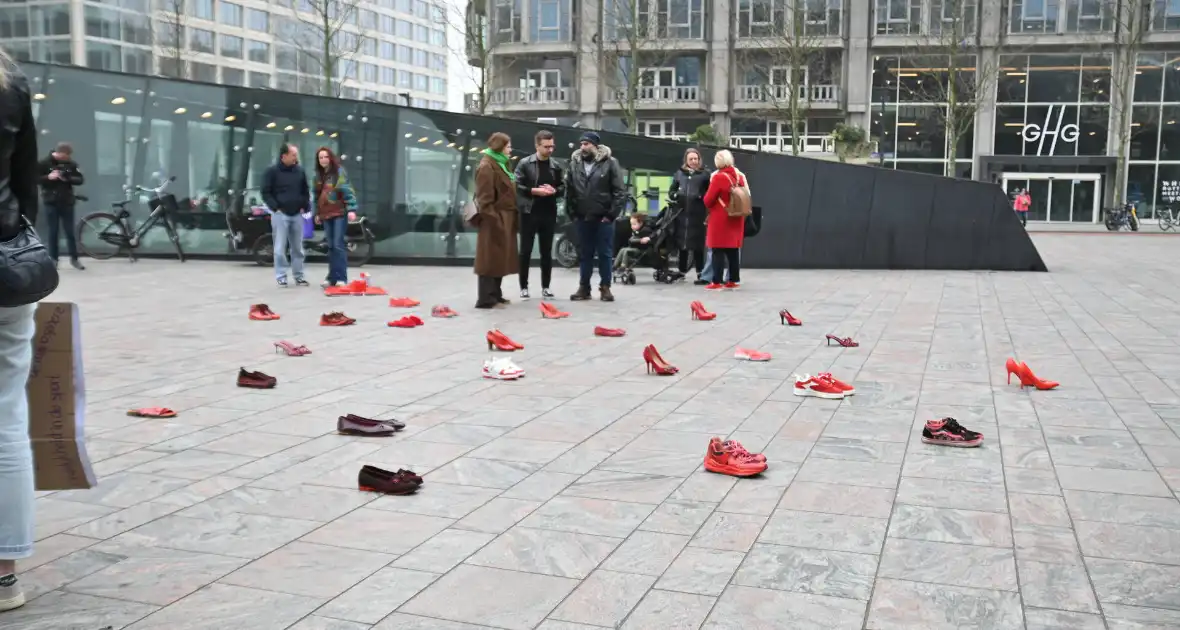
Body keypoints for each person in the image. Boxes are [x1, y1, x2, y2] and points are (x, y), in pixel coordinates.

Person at [0, 46, 44, 614]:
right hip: (6, 260)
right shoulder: (10, 81)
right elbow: (25, 180)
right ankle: (4, 576)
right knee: (7, 413)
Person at [566, 131, 625, 302]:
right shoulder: (574, 164)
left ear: (595, 146)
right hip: (582, 217)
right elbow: (569, 190)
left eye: (587, 144)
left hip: (603, 218)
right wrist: (572, 213)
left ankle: (605, 287)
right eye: (581, 144)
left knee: (605, 254)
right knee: (585, 254)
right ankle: (584, 287)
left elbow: (620, 192)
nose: (583, 147)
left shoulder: (610, 163)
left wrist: (611, 215)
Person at [514, 129, 564, 300]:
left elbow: (563, 187)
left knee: (546, 251)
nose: (550, 150)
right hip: (529, 212)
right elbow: (517, 186)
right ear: (537, 146)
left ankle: (546, 287)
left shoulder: (556, 166)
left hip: (548, 212)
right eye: (546, 147)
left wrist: (554, 190)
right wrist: (533, 191)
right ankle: (523, 287)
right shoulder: (524, 164)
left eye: (552, 146)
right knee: (525, 251)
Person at [472, 132, 519, 308]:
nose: (510, 149)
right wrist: (495, 221)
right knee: (488, 259)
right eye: (508, 146)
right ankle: (485, 298)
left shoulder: (501, 163)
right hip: (493, 218)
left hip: (505, 216)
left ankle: (496, 294)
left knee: (499, 258)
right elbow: (485, 199)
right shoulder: (487, 166)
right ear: (499, 146)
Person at [261, 143, 310, 287]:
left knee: (298, 248)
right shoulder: (272, 171)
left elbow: (305, 190)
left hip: (297, 214)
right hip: (280, 214)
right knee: (279, 247)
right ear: (284, 156)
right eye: (293, 154)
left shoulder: (300, 171)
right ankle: (281, 276)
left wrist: (304, 205)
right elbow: (265, 192)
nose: (296, 157)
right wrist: (275, 207)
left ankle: (299, 276)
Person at [702, 149, 749, 289]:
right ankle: (733, 280)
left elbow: (708, 200)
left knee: (717, 250)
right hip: (736, 217)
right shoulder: (739, 176)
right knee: (733, 250)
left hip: (720, 218)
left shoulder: (719, 177)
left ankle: (716, 281)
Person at [313, 147, 357, 288]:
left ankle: (341, 278)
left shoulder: (338, 172)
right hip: (325, 214)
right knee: (331, 246)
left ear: (330, 158)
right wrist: (317, 213)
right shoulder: (318, 176)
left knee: (338, 245)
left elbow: (347, 190)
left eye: (326, 157)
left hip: (339, 212)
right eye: (320, 157)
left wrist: (351, 209)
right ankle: (331, 277)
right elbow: (316, 196)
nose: (323, 160)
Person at [36, 142, 84, 270]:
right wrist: (48, 177)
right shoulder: (44, 163)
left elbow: (80, 179)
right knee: (53, 231)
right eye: (65, 156)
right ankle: (53, 258)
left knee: (70, 232)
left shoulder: (71, 164)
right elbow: (34, 179)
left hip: (67, 201)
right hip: (50, 201)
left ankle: (74, 259)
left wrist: (68, 178)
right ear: (59, 153)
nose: (67, 158)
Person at [668, 148, 709, 284]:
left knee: (698, 245)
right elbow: (672, 190)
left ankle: (700, 272)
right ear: (686, 160)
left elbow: (710, 193)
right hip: (681, 214)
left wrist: (701, 197)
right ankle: (681, 271)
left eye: (695, 159)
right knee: (682, 244)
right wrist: (674, 195)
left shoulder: (704, 175)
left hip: (698, 214)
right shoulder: (679, 174)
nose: (693, 162)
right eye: (691, 159)